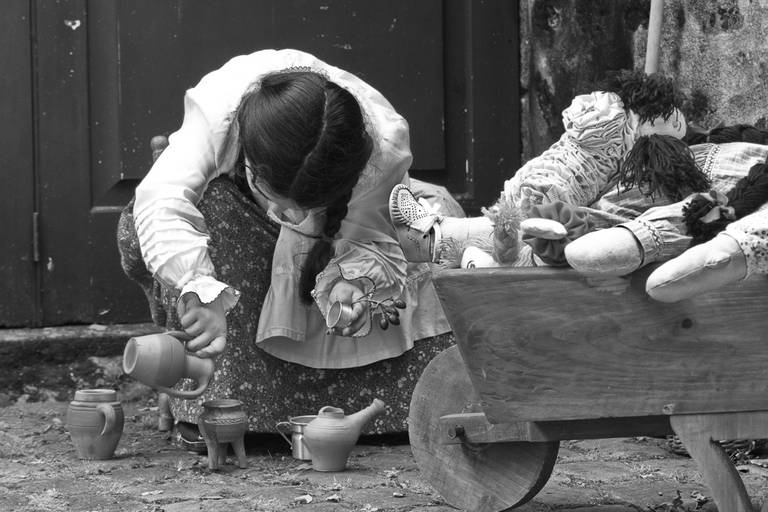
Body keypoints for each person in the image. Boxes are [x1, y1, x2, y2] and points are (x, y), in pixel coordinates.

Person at [119, 49, 462, 445]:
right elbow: (160, 201)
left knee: (432, 237)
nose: (290, 214)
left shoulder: (381, 144)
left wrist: (352, 282)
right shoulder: (218, 114)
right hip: (246, 240)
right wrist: (199, 289)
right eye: (277, 197)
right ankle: (223, 404)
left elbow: (373, 230)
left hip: (334, 233)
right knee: (206, 202)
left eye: (302, 205)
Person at [388, 71, 768, 302]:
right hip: (649, 199)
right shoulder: (668, 149)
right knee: (560, 219)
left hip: (684, 212)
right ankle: (442, 239)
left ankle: (469, 253)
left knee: (592, 221)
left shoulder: (679, 159)